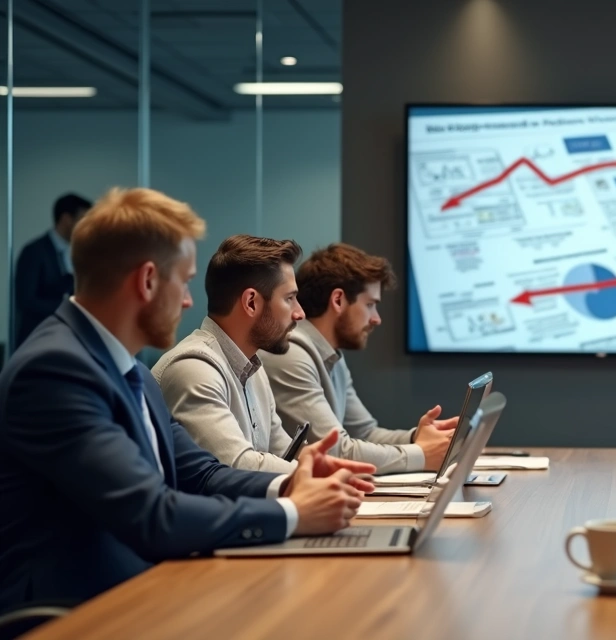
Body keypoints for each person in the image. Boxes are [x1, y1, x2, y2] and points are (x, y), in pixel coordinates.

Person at [0, 188, 375, 611]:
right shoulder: (56, 370)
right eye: (183, 281)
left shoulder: (131, 369)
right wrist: (292, 513)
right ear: (146, 281)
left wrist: (290, 483)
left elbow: (202, 474)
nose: (188, 300)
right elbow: (152, 515)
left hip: (139, 589)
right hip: (75, 612)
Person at [261, 243, 456, 472]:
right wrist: (421, 455)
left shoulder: (332, 355)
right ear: (338, 300)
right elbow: (335, 450)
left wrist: (417, 437)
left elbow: (364, 433)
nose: (376, 319)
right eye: (370, 305)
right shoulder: (291, 354)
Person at [153, 235, 309, 473]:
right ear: (251, 303)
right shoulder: (193, 368)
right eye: (289, 299)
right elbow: (237, 466)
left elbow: (282, 452)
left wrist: (319, 463)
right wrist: (317, 474)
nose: (299, 313)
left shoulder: (254, 369)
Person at [13, 193, 92, 348]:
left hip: (65, 339)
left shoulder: (78, 252)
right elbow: (26, 301)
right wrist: (70, 308)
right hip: (36, 340)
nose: (86, 227)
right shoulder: (34, 251)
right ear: (66, 219)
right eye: (83, 220)